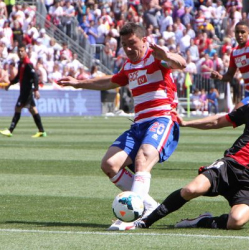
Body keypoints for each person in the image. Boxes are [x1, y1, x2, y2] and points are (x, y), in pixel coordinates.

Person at [121, 73, 249, 231]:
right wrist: (188, 123)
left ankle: (203, 221)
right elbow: (220, 121)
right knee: (191, 190)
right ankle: (144, 222)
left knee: (236, 220)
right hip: (230, 165)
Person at [57, 23, 186, 230]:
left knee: (142, 160)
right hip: (139, 125)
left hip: (161, 119)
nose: (127, 48)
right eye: (124, 44)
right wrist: (78, 83)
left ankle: (132, 216)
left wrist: (167, 55)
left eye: (131, 43)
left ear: (144, 40)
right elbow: (108, 82)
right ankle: (147, 205)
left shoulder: (156, 58)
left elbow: (181, 63)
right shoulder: (128, 66)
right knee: (109, 164)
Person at [1, 44, 46, 138]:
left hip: (27, 92)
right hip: (23, 91)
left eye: (22, 51)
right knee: (33, 110)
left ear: (25, 52)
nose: (20, 53)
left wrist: (36, 90)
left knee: (18, 108)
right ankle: (41, 131)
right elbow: (18, 77)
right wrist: (10, 84)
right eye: (19, 51)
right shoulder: (21, 63)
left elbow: (35, 77)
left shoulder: (28, 64)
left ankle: (10, 130)